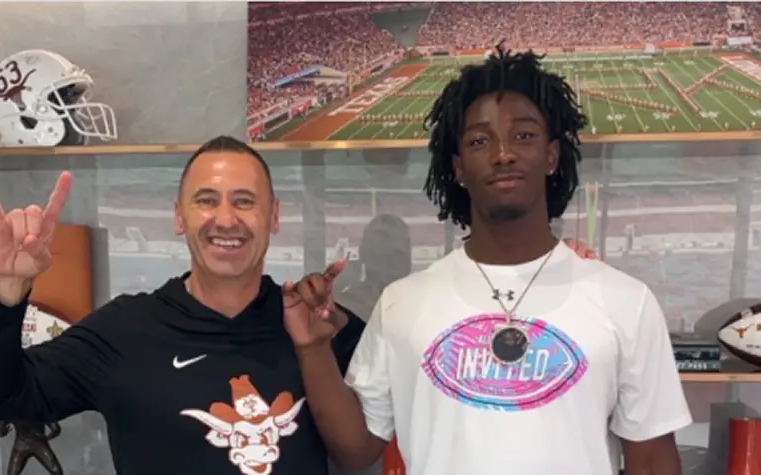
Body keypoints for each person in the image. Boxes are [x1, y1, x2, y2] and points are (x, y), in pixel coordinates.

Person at [281, 46, 691, 475]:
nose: (503, 154)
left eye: (524, 136)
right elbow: (355, 451)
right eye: (480, 141)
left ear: (552, 155)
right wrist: (313, 349)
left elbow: (651, 462)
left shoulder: (625, 301)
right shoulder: (403, 302)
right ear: (458, 167)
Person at [0, 136, 366, 475]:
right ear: (178, 216)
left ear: (274, 216)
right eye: (206, 200)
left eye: (245, 201)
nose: (226, 219)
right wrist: (5, 292)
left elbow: (370, 447)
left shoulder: (318, 326)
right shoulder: (124, 331)